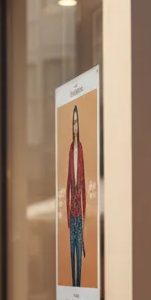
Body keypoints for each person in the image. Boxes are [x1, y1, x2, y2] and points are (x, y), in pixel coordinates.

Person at [65, 103, 87, 287]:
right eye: (73, 122)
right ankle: (74, 286)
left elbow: (84, 179)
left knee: (79, 250)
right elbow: (67, 181)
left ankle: (79, 285)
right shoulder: (70, 150)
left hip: (79, 210)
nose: (75, 126)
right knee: (71, 251)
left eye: (76, 122)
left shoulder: (80, 148)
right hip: (72, 210)